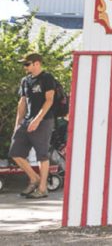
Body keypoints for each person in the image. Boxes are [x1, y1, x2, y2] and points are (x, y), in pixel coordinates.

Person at [10, 53, 57, 199]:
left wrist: (37, 120)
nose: (25, 67)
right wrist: (18, 124)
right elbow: (22, 103)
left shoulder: (47, 78)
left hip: (44, 121)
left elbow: (49, 100)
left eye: (27, 64)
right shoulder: (25, 80)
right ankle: (34, 178)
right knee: (15, 152)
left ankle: (42, 189)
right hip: (26, 121)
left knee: (42, 155)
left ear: (37, 63)